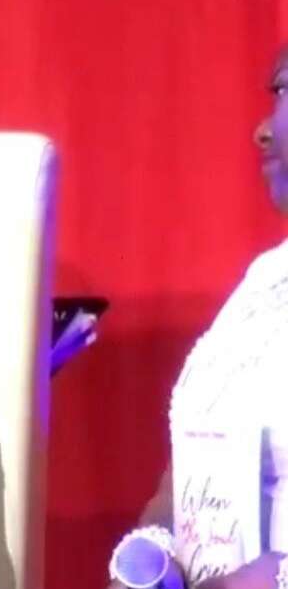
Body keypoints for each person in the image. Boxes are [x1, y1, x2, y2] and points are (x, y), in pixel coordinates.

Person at [106, 49, 288, 589]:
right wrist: (149, 559)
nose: (261, 131)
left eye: (284, 92)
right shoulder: (264, 280)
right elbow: (195, 469)